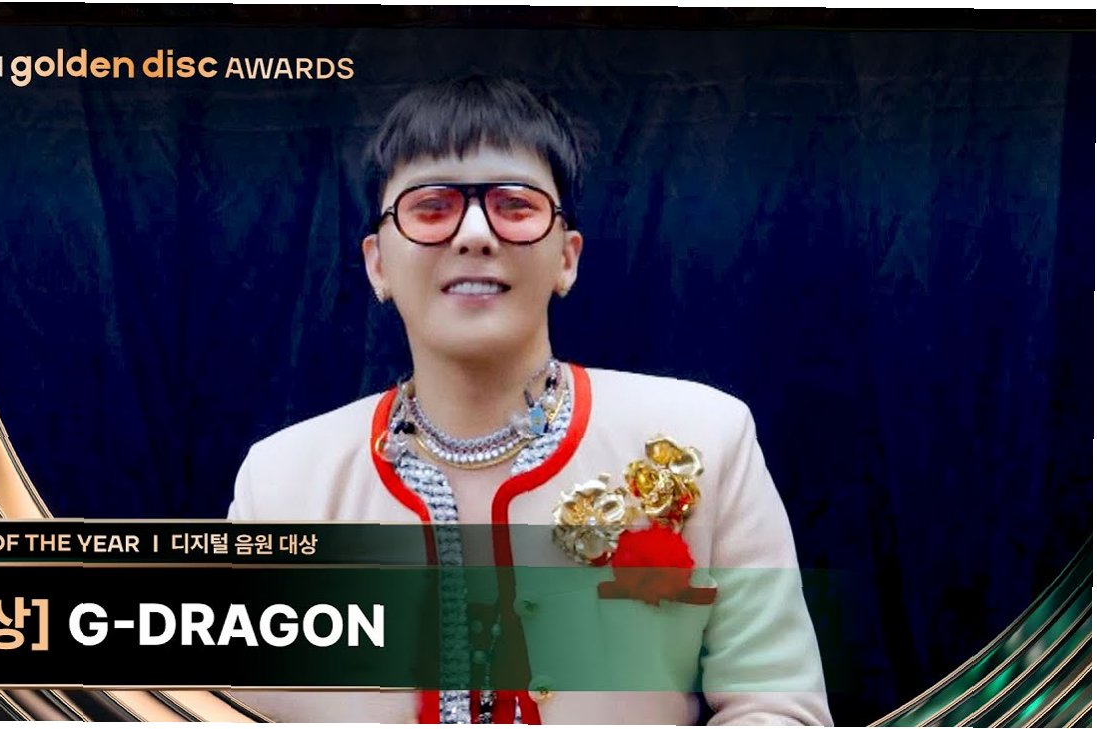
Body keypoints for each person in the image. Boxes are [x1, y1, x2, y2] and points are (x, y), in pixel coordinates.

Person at [227, 75, 832, 726]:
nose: (474, 234)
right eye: (431, 207)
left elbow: (778, 709)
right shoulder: (282, 481)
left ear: (566, 257)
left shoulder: (703, 441)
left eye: (515, 206)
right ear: (377, 263)